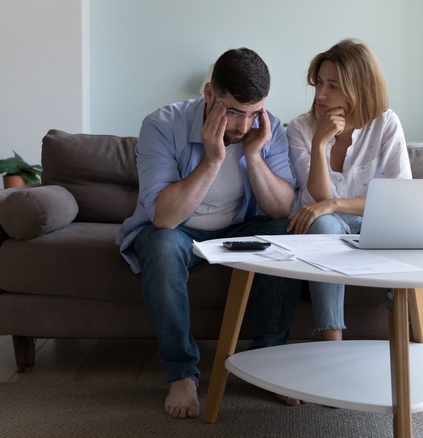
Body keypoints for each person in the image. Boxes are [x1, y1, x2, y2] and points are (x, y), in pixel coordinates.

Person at [116, 48, 302, 419]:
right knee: (161, 245)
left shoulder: (268, 128)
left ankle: (268, 360)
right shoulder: (162, 125)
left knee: (286, 232)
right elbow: (164, 217)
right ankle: (182, 372)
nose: (243, 125)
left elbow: (281, 208)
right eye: (234, 111)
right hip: (180, 230)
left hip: (239, 226)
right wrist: (214, 158)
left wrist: (254, 156)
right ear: (208, 94)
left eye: (253, 113)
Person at [286, 38, 423, 342]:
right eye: (319, 83)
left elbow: (399, 202)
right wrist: (319, 143)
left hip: (375, 223)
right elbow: (319, 198)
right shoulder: (300, 128)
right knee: (324, 223)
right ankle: (332, 349)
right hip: (322, 227)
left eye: (333, 86)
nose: (321, 94)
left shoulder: (385, 124)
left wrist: (334, 204)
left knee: (414, 233)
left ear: (359, 87)